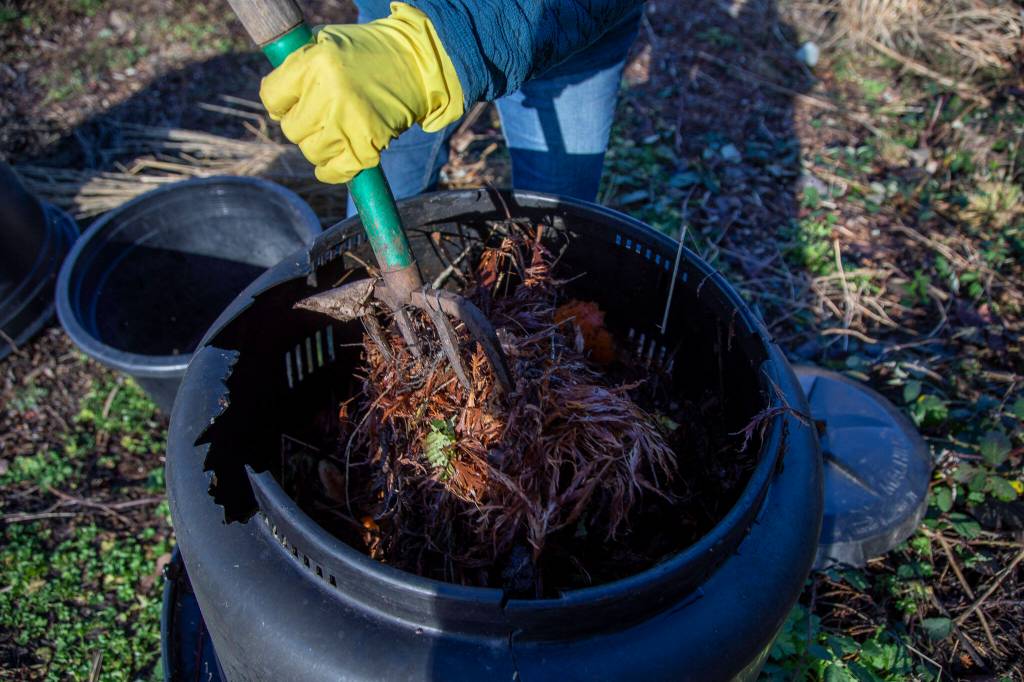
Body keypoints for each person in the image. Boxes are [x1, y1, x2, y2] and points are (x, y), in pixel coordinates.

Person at [259, 1, 643, 210]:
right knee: (387, 197)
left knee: (556, 220)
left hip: (572, 34)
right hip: (394, 17)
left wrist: (429, 52)